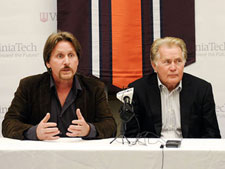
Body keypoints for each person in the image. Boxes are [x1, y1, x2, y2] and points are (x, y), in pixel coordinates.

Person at [2, 31, 116, 140]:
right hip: (41, 155)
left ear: (78, 60)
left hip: (82, 156)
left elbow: (110, 125)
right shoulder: (29, 86)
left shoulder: (94, 87)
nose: (66, 62)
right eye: (60, 56)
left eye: (71, 55)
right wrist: (34, 132)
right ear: (48, 62)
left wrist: (89, 130)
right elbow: (8, 124)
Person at [125, 37, 221, 138]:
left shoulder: (201, 89)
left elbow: (212, 135)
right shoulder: (139, 90)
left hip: (189, 151)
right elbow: (131, 137)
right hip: (153, 151)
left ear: (184, 63)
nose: (173, 68)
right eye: (167, 62)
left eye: (178, 61)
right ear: (154, 66)